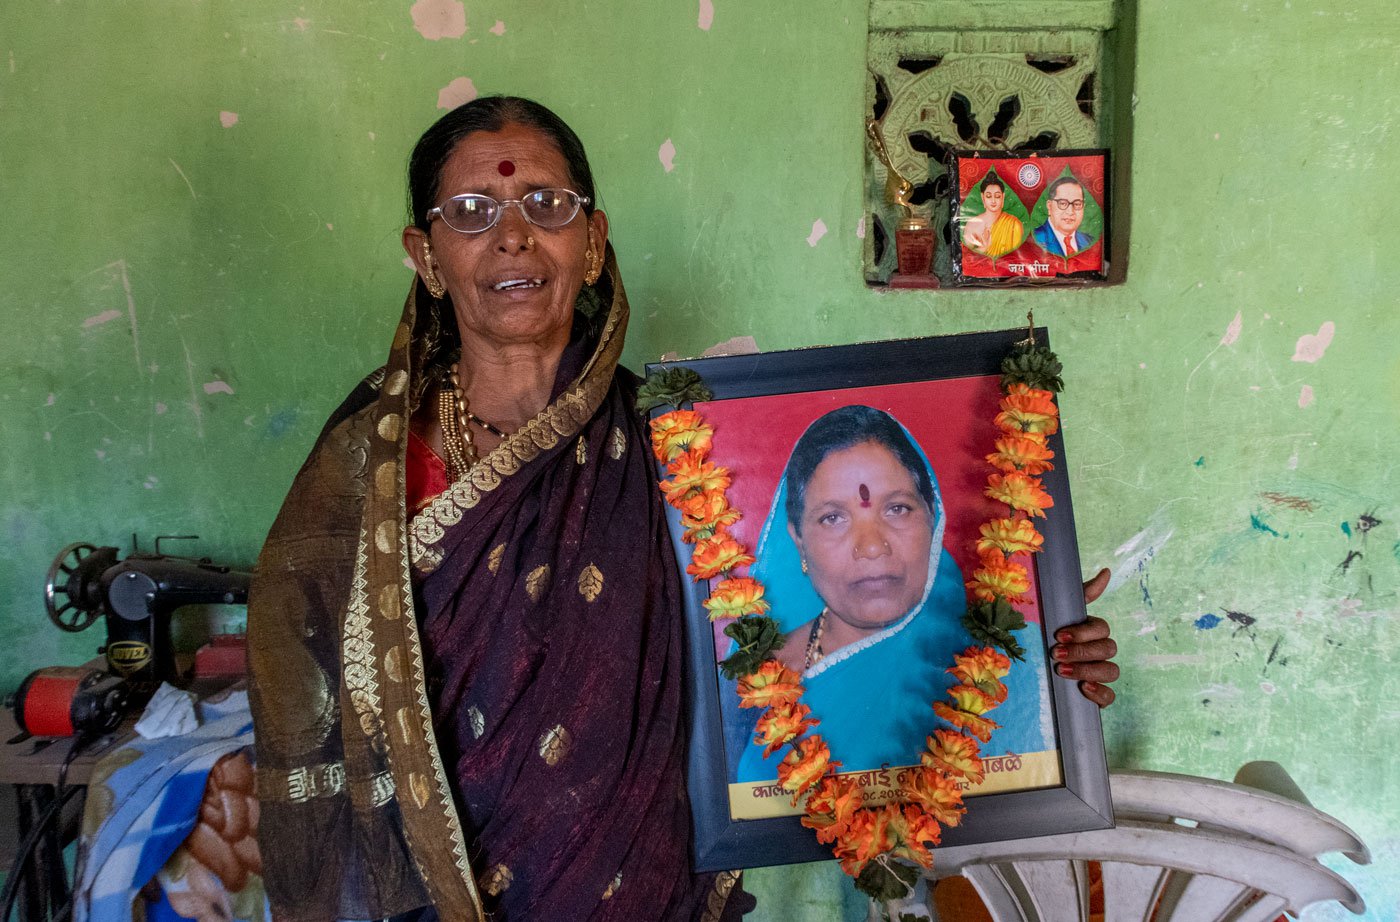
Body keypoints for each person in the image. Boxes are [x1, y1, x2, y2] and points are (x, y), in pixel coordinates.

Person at [248, 95, 1118, 922]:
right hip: (433, 894)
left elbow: (774, 652)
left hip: (640, 883)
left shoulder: (680, 447)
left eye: (547, 203)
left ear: (592, 243)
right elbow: (308, 703)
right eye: (471, 210)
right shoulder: (369, 465)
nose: (512, 236)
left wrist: (1027, 651)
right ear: (426, 254)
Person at [735, 406, 1053, 782]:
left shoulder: (1021, 663)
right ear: (798, 540)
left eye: (897, 509)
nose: (872, 547)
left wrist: (1066, 669)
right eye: (833, 518)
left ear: (932, 517)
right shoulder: (749, 685)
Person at [961, 173, 1024, 258]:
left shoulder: (1014, 224)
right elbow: (966, 258)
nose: (993, 200)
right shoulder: (972, 224)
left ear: (1003, 197)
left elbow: (1017, 257)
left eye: (997, 196)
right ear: (983, 198)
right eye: (988, 196)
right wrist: (984, 248)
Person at [1031, 175, 1094, 258]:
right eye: (1063, 203)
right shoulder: (1034, 240)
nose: (1070, 211)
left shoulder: (1089, 242)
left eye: (1077, 204)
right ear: (1049, 206)